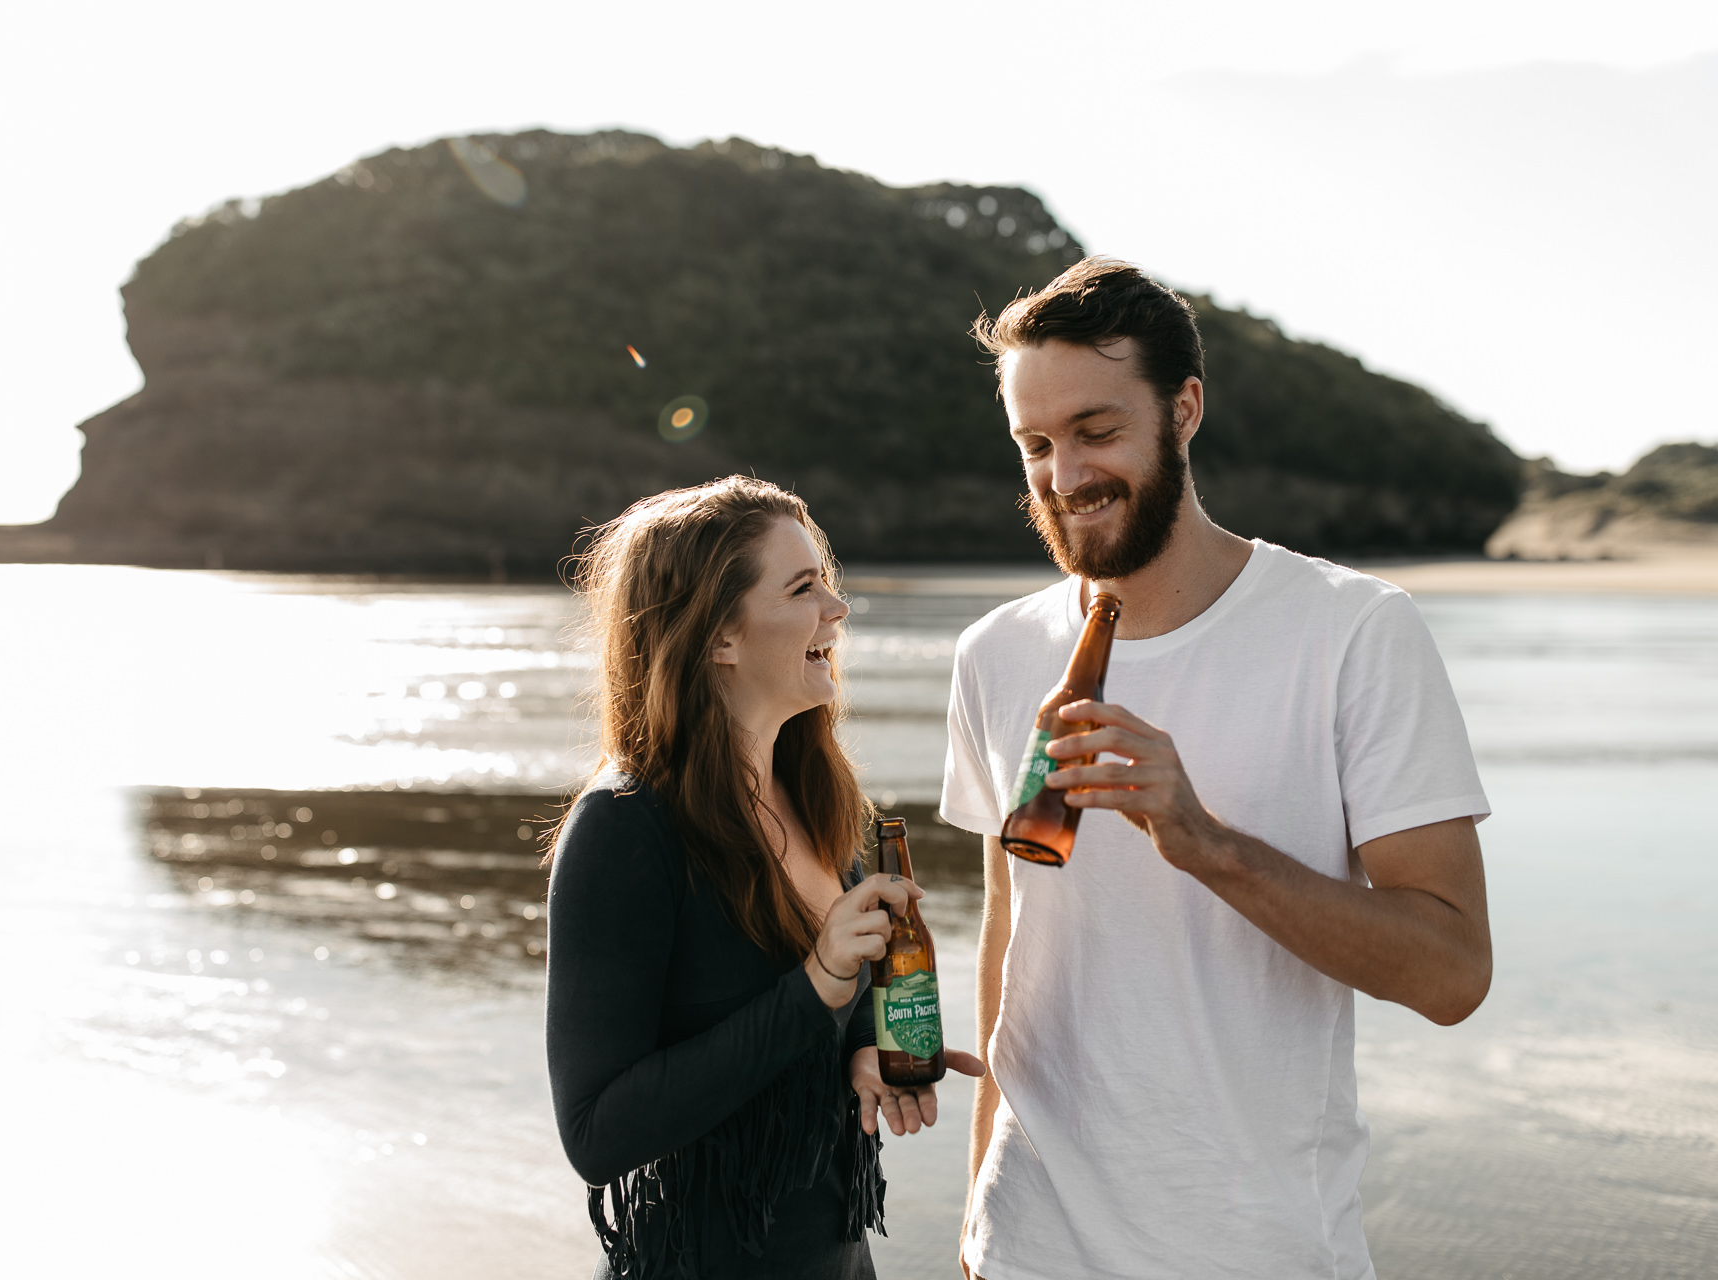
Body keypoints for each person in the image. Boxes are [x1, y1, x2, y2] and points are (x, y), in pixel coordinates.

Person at [944, 259, 1493, 1279]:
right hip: (1029, 1245)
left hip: (1258, 1249)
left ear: (1183, 409)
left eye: (1097, 431)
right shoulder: (995, 652)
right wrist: (977, 1216)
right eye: (1036, 445)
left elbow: (1454, 971)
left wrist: (1207, 845)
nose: (1065, 476)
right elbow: (1010, 941)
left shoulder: (1353, 629)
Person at [546, 476, 983, 1280]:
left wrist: (859, 1054)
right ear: (719, 637)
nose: (837, 609)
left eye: (828, 580)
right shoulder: (625, 828)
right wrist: (815, 982)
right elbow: (596, 1133)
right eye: (802, 587)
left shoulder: (824, 798)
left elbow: (820, 1015)